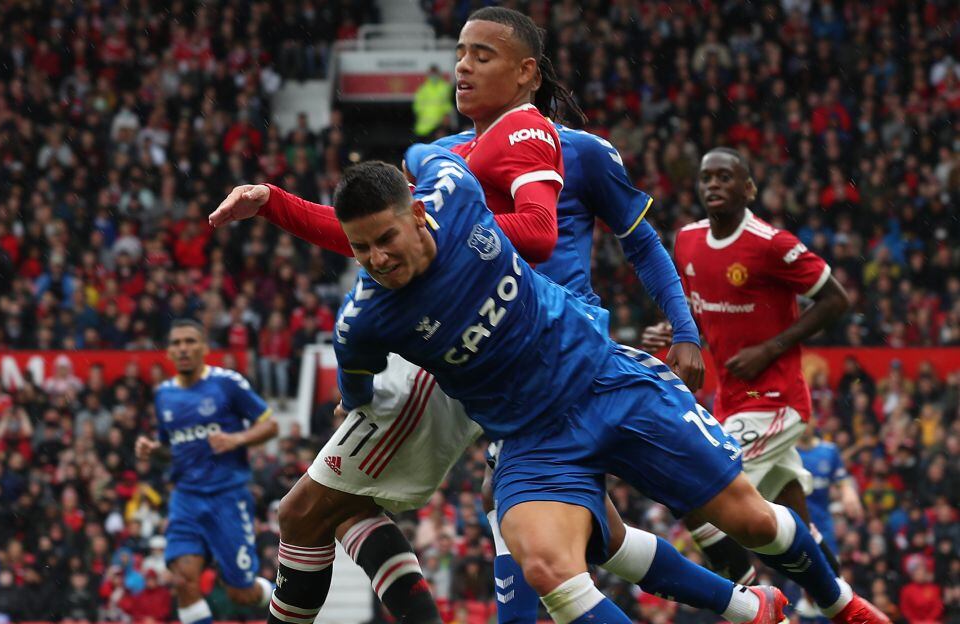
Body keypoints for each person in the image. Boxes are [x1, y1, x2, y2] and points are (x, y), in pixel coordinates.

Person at [210, 8, 730, 624]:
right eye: (461, 52)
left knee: (308, 511)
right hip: (481, 351)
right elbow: (375, 238)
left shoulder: (578, 152)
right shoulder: (443, 159)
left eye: (482, 55)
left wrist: (688, 330)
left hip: (534, 344)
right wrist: (274, 202)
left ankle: (747, 574)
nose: (462, 66)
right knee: (590, 535)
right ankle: (747, 603)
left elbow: (632, 241)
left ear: (526, 73)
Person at [327, 144, 883, 624]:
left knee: (751, 519)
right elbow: (357, 387)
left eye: (385, 238)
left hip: (607, 381)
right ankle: (749, 607)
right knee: (548, 568)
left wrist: (413, 160)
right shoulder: (362, 320)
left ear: (418, 212)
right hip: (531, 438)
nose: (376, 259)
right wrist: (351, 408)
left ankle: (839, 605)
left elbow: (427, 155)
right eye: (359, 248)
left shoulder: (451, 185)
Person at [643, 148, 858, 588]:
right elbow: (699, 310)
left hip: (776, 402)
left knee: (700, 491)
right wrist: (673, 332)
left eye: (726, 177)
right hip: (732, 401)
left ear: (749, 188)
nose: (714, 185)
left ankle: (745, 601)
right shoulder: (687, 240)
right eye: (707, 178)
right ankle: (840, 600)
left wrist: (770, 347)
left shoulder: (770, 243)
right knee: (799, 529)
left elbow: (838, 298)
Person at [134, 319, 279, 624]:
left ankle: (282, 596)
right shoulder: (163, 395)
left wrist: (237, 438)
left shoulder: (227, 383)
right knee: (184, 581)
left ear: (204, 348)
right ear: (169, 352)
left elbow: (270, 424)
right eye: (176, 343)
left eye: (190, 341)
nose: (183, 348)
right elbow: (171, 447)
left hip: (227, 496)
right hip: (185, 498)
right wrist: (152, 449)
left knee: (241, 592)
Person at [796, 415, 864, 620]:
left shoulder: (829, 451)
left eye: (808, 419)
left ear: (816, 422)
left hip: (823, 529)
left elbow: (843, 481)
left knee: (831, 580)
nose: (805, 425)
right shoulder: (786, 453)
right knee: (805, 584)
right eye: (801, 420)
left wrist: (849, 494)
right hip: (796, 527)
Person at [412, 65, 454, 139]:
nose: (433, 76)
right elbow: (417, 107)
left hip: (439, 127)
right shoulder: (423, 89)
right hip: (423, 128)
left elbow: (448, 105)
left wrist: (444, 123)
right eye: (432, 74)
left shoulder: (445, 88)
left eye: (435, 74)